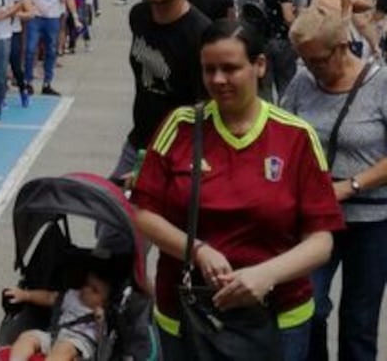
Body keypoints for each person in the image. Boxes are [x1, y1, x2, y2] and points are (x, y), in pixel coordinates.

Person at [132, 19, 344, 360]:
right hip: (187, 318)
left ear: (259, 66)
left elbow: (321, 242)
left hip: (278, 319)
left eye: (230, 68)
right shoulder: (181, 126)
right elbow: (143, 214)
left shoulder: (296, 136)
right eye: (209, 69)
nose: (218, 80)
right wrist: (197, 250)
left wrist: (266, 275)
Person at [281, 7, 387, 361]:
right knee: (308, 307)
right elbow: (283, 133)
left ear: (343, 46)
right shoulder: (302, 81)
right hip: (314, 219)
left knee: (359, 321)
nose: (312, 68)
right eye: (304, 60)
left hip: (371, 221)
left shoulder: (381, 83)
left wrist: (352, 185)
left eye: (319, 60)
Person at [114, 0, 212, 184]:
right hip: (138, 142)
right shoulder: (138, 16)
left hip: (179, 151)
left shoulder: (202, 35)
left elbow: (208, 110)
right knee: (108, 216)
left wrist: (162, 169)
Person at [3, 265, 112, 361]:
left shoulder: (104, 313)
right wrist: (26, 295)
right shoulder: (72, 296)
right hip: (54, 335)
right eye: (87, 284)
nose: (87, 289)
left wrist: (100, 320)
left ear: (105, 301)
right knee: (28, 336)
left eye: (95, 290)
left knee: (64, 349)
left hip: (79, 344)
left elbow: (104, 339)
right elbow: (49, 297)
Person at [242, 0, 298, 101]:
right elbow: (288, 18)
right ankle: (285, 117)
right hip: (280, 41)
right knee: (285, 84)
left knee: (263, 85)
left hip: (258, 40)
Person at [24, 0, 77, 97]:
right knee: (30, 49)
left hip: (53, 15)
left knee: (51, 50)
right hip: (36, 15)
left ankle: (47, 83)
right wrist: (30, 7)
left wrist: (75, 16)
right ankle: (28, 81)